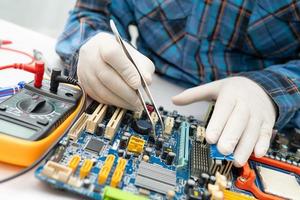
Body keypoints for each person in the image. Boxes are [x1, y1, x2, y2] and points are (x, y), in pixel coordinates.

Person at [56, 0, 300, 167]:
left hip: (259, 119)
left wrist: (270, 89)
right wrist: (91, 45)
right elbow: (92, 12)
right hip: (144, 88)